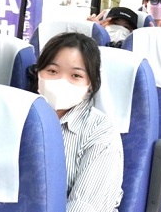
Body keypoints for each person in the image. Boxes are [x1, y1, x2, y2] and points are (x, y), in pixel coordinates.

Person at [29, 32, 124, 211]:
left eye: (76, 75)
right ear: (38, 74)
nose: (61, 81)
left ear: (91, 85)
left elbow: (84, 207)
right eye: (52, 71)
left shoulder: (101, 131)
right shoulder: (19, 116)